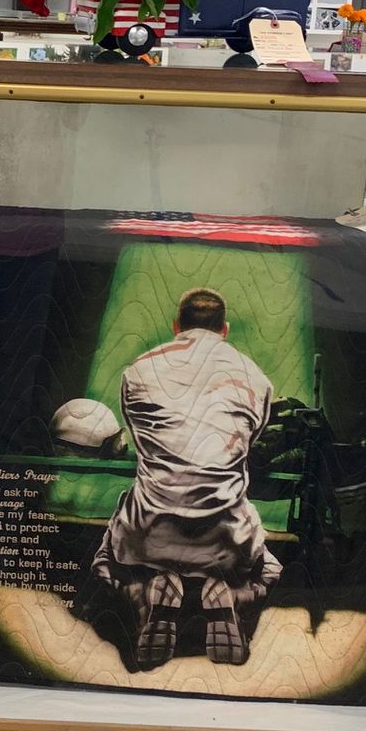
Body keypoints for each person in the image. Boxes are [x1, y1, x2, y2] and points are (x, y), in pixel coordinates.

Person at [88, 287, 281, 670]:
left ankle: (141, 594)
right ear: (223, 329)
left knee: (102, 563)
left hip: (148, 536)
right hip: (226, 541)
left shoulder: (138, 369)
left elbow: (145, 445)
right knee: (272, 568)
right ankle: (235, 596)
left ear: (177, 326)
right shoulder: (255, 377)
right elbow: (247, 444)